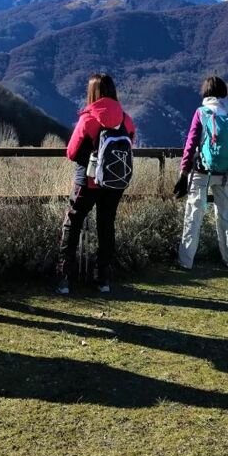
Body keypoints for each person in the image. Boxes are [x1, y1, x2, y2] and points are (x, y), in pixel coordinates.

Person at [56, 73, 135, 295]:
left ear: (93, 93)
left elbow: (71, 152)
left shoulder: (89, 118)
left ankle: (64, 277)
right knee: (106, 226)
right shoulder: (125, 119)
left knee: (73, 223)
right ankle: (103, 279)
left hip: (87, 182)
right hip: (114, 183)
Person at [173, 76, 228, 269]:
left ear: (205, 93)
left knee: (194, 215)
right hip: (225, 174)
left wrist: (183, 172)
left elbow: (191, 144)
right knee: (226, 216)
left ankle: (185, 261)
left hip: (202, 172)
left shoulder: (202, 112)